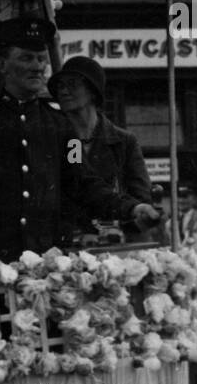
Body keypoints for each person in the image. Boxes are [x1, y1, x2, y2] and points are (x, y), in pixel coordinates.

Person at [0, 18, 161, 260]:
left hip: (42, 259)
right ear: (2, 64)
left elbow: (84, 182)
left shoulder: (62, 126)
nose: (37, 66)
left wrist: (131, 207)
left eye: (41, 59)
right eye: (26, 58)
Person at [48, 56, 152, 245]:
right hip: (67, 247)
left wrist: (115, 229)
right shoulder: (62, 140)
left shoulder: (123, 141)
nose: (63, 91)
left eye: (72, 84)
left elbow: (141, 198)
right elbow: (76, 187)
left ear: (93, 91)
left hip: (115, 248)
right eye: (60, 86)